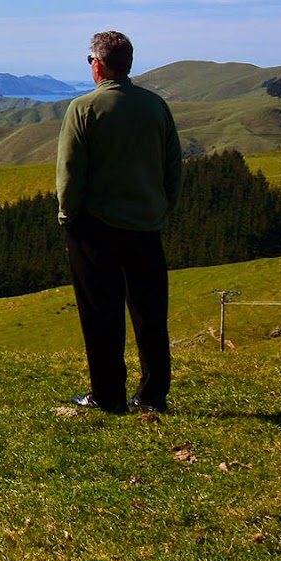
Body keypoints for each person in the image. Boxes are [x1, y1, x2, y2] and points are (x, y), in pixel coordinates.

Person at [57, 31, 183, 414]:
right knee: (150, 312)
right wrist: (161, 208)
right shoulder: (155, 106)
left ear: (98, 63)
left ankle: (108, 395)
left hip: (96, 228)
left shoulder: (85, 107)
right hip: (146, 226)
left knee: (101, 312)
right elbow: (173, 166)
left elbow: (70, 171)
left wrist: (68, 215)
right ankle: (153, 394)